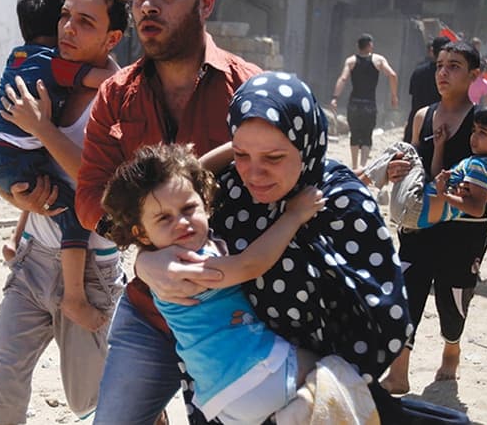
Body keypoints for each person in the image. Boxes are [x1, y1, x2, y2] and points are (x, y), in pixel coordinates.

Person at [137, 72, 431, 424]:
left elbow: (380, 310)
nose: (254, 173)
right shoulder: (228, 192)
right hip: (229, 396)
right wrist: (145, 260)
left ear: (305, 145)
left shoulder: (339, 200)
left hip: (317, 398)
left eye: (273, 157)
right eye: (241, 154)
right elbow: (162, 198)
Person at [71, 0, 263, 425]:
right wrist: (146, 251)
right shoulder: (115, 95)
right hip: (150, 312)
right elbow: (90, 197)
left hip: (234, 317)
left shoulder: (249, 89)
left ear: (205, 3)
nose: (148, 6)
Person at [0, 0, 129, 425]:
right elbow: (35, 165)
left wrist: (41, 127)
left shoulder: (118, 97)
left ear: (112, 38)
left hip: (90, 271)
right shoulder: (51, 75)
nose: (68, 28)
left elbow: (98, 184)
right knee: (2, 385)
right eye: (66, 16)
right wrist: (20, 210)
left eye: (85, 22)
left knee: (96, 398)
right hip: (33, 259)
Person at [102, 142, 325, 424]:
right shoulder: (185, 266)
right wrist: (295, 215)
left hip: (223, 398)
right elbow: (250, 264)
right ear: (142, 235)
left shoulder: (172, 254)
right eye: (164, 218)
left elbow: (192, 172)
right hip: (255, 372)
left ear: (205, 203)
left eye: (188, 208)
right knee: (330, 370)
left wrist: (240, 145)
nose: (181, 222)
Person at [380, 41, 487, 395]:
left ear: (474, 75)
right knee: (407, 292)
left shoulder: (483, 121)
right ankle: (399, 371)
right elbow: (413, 161)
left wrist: (478, 196)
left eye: (454, 66)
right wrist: (397, 171)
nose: (443, 72)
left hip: (464, 231)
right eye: (440, 64)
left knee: (453, 297)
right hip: (421, 223)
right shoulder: (422, 116)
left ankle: (451, 349)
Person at [361, 108, 487, 230]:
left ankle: (360, 182)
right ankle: (361, 178)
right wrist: (439, 147)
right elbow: (436, 176)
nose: (474, 137)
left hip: (414, 206)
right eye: (474, 131)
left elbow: (477, 209)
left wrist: (445, 195)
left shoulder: (480, 166)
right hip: (415, 217)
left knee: (405, 149)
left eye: (482, 133)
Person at [330, 33, 399, 168]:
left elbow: (343, 78)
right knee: (367, 135)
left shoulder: (351, 61)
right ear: (370, 45)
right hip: (369, 104)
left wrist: (335, 97)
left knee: (354, 133)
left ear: (358, 46)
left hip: (354, 103)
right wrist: (393, 95)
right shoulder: (378, 60)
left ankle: (354, 166)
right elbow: (392, 74)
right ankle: (363, 166)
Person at [404, 36, 450, 144]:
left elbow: (414, 98)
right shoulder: (450, 75)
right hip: (439, 127)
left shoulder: (418, 72)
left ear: (432, 51)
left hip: (416, 124)